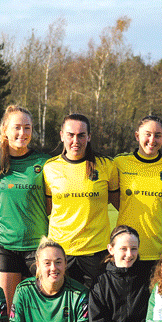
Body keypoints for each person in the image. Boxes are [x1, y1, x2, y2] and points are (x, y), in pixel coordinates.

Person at [0, 105, 52, 310]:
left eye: (27, 128)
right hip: (4, 247)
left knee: (38, 313)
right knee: (5, 314)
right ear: (4, 130)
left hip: (38, 248)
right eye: (17, 127)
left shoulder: (45, 163)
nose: (22, 133)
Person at [43, 113, 119, 288]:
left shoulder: (106, 165)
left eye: (81, 135)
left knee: (94, 308)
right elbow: (48, 208)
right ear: (62, 135)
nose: (75, 140)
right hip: (61, 252)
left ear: (89, 137)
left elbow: (117, 202)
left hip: (95, 252)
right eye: (70, 135)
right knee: (63, 307)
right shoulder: (50, 168)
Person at [113, 115, 162, 274]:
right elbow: (115, 199)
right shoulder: (120, 163)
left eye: (158, 135)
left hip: (159, 250)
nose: (152, 139)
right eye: (147, 134)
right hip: (127, 251)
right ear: (137, 136)